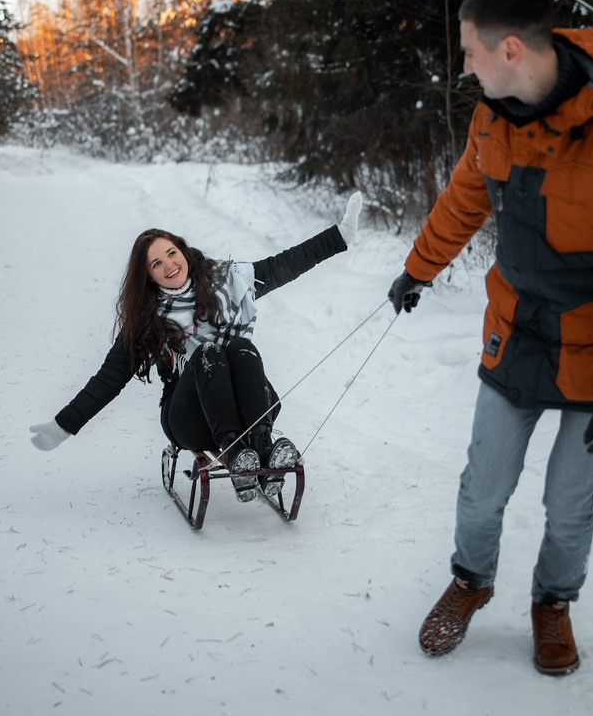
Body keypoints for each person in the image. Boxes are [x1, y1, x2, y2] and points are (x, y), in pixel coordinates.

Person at [388, 0, 593, 675]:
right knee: (482, 484)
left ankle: (552, 603)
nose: (463, 67)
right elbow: (465, 197)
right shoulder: (492, 116)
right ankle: (470, 581)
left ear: (512, 49)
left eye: (469, 53)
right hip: (517, 327)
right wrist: (419, 268)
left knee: (569, 500)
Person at [31, 193, 362, 504]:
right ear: (147, 276)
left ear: (183, 252)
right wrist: (63, 426)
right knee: (209, 353)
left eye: (171, 253)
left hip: (251, 407)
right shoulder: (149, 319)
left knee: (240, 347)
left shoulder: (226, 282)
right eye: (156, 263)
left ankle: (262, 445)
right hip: (189, 416)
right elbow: (108, 379)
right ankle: (236, 455)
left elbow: (285, 264)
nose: (169, 265)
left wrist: (339, 237)